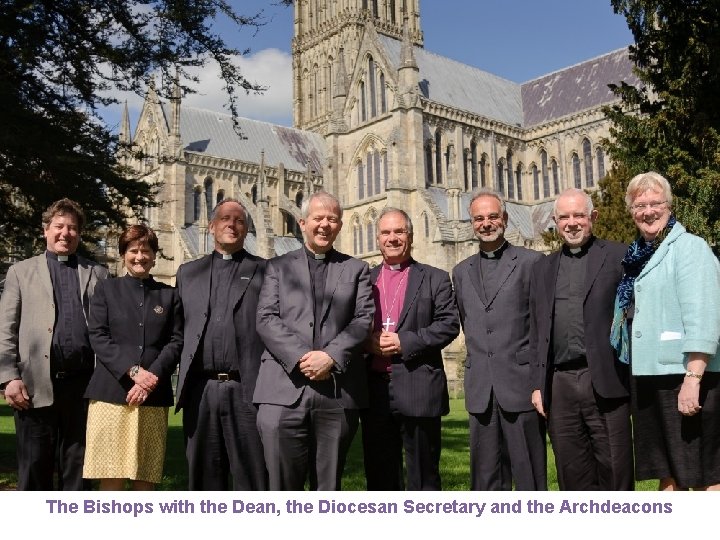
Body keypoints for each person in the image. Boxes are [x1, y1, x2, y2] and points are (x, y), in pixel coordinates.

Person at [254, 191, 374, 490]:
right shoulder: (277, 267)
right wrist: (302, 357)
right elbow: (266, 318)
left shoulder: (356, 270)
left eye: (332, 219)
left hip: (336, 392)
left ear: (340, 225)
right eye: (318, 218)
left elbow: (363, 320)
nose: (325, 225)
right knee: (282, 487)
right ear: (303, 222)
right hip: (283, 391)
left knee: (328, 488)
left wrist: (330, 357)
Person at [611, 171, 720, 491]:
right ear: (631, 211)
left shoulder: (690, 248)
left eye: (655, 203)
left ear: (669, 206)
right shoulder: (636, 256)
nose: (647, 211)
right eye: (639, 205)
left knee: (703, 475)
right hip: (650, 378)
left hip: (686, 375)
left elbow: (704, 316)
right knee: (668, 474)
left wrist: (693, 378)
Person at [0, 198, 108, 490]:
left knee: (80, 469)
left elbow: (108, 329)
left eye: (72, 228)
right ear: (45, 229)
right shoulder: (20, 272)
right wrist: (9, 377)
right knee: (35, 468)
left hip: (84, 388)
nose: (65, 233)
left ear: (80, 234)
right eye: (59, 226)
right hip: (34, 387)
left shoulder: (97, 273)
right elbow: (5, 329)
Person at [530, 188, 633, 490]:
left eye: (579, 215)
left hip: (605, 379)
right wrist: (538, 385)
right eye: (564, 217)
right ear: (555, 221)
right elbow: (538, 330)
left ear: (593, 217)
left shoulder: (618, 256)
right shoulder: (543, 268)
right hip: (559, 384)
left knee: (615, 470)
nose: (572, 223)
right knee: (571, 473)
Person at [452, 189, 546, 490]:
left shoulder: (532, 262)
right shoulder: (461, 271)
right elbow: (467, 321)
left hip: (520, 386)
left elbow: (542, 328)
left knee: (528, 476)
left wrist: (540, 384)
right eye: (479, 218)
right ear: (472, 223)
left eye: (493, 216)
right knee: (486, 480)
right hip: (481, 389)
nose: (486, 223)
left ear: (504, 219)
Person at [361, 208, 459, 490]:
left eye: (399, 232)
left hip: (419, 386)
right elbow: (351, 325)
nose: (392, 238)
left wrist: (405, 342)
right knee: (380, 477)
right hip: (374, 390)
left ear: (411, 236)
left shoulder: (435, 278)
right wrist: (368, 342)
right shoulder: (364, 279)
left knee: (423, 477)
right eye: (386, 233)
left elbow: (449, 324)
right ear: (377, 238)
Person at [175, 198, 268, 490]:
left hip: (247, 390)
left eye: (239, 220)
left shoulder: (265, 271)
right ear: (212, 226)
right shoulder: (188, 273)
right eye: (225, 219)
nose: (232, 224)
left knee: (252, 478)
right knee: (204, 478)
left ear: (246, 229)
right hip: (200, 391)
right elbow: (176, 331)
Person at [84, 224, 182, 490]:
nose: (140, 257)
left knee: (145, 473)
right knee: (111, 472)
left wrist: (151, 377)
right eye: (134, 251)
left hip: (153, 394)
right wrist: (133, 372)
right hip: (112, 394)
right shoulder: (106, 290)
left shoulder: (169, 295)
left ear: (154, 256)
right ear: (123, 254)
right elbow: (98, 337)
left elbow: (175, 341)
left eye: (146, 251)